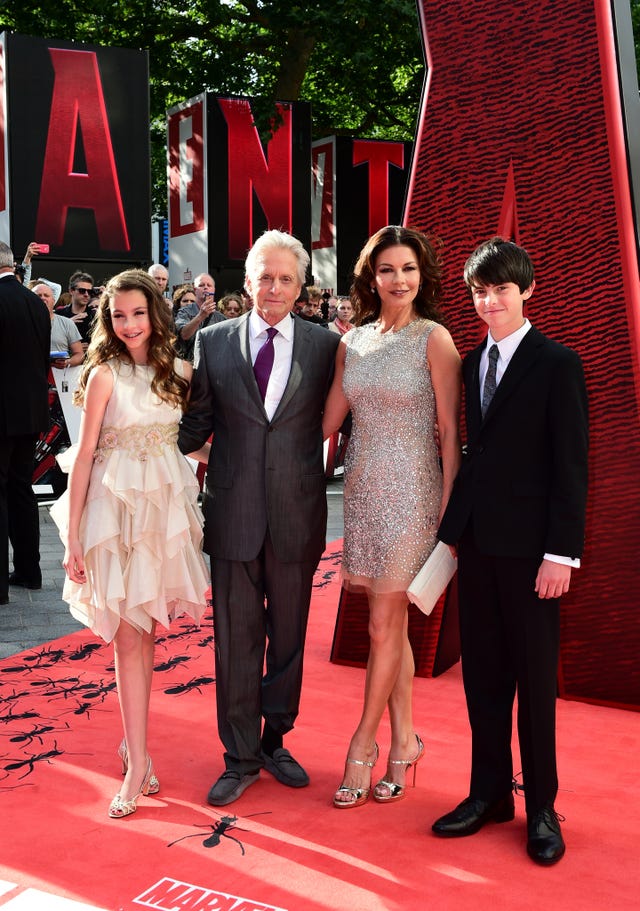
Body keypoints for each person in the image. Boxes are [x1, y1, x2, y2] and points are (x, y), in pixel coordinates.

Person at [432, 238, 588, 866]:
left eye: (500, 289)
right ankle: (488, 793)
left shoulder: (557, 364)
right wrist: (451, 536)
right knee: (484, 681)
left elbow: (571, 467)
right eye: (479, 291)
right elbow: (477, 456)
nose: (489, 300)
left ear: (527, 291)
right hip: (479, 547)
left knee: (534, 686)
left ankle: (542, 807)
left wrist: (562, 554)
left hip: (533, 556)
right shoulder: (471, 365)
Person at [178, 230, 340, 807]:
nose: (274, 288)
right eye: (264, 277)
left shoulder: (326, 347)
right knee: (236, 643)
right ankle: (240, 755)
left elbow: (345, 417)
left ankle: (275, 740)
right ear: (246, 282)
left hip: (298, 513)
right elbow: (193, 427)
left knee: (290, 641)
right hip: (233, 513)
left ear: (300, 287)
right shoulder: (213, 343)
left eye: (285, 278)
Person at [51, 269, 210, 818]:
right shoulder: (103, 376)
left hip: (161, 518)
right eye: (118, 315)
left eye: (138, 313)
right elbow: (85, 456)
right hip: (113, 516)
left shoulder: (179, 373)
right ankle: (138, 762)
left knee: (146, 638)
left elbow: (197, 443)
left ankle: (133, 747)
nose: (129, 324)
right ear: (107, 319)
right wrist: (73, 539)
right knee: (127, 639)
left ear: (155, 313)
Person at [322, 225, 462, 809]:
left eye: (408, 269)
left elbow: (453, 434)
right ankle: (406, 743)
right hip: (364, 494)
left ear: (421, 275)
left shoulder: (436, 339)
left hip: (416, 495)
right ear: (370, 277)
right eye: (387, 270)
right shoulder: (352, 342)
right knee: (392, 626)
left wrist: (451, 515)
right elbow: (327, 422)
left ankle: (362, 744)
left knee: (382, 625)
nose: (398, 280)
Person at [0, 242, 51, 603]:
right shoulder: (36, 302)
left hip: (1, 414)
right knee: (22, 490)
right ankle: (30, 572)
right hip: (30, 413)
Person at [175, 272, 225, 361]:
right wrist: (201, 316)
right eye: (201, 285)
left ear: (213, 290)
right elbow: (184, 335)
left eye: (209, 285)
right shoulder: (185, 312)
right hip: (191, 365)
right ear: (195, 290)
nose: (205, 287)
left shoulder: (220, 318)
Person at [57, 271, 96, 352]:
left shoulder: (95, 316)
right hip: (64, 361)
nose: (86, 294)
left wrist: (92, 347)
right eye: (82, 290)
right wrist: (68, 323)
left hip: (89, 362)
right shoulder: (59, 314)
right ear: (71, 291)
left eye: (90, 291)